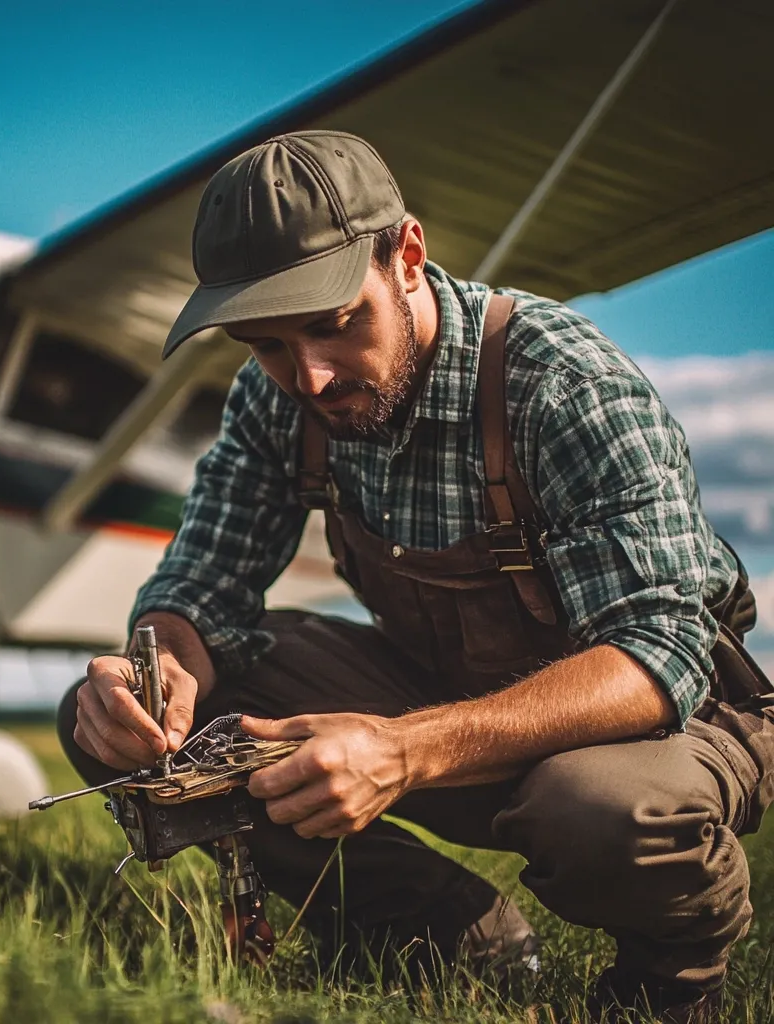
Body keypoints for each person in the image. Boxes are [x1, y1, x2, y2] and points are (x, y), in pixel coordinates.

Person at [58, 131, 773, 1023]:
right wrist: (157, 673)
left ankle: (673, 979)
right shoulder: (279, 399)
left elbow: (658, 654)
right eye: (266, 345)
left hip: (663, 727)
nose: (308, 376)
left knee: (593, 809)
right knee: (107, 716)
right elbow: (201, 583)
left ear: (406, 255)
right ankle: (445, 932)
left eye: (332, 323)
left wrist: (403, 750)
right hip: (449, 700)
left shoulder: (564, 384)